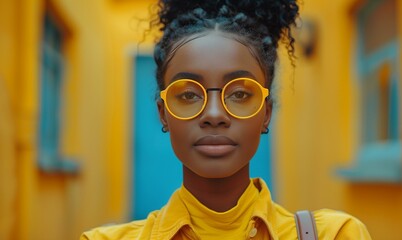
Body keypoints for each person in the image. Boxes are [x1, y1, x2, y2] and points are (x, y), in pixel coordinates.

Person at [81, 0, 372, 239]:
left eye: (240, 93)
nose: (214, 115)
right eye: (189, 95)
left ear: (266, 113)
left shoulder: (335, 235)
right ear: (163, 113)